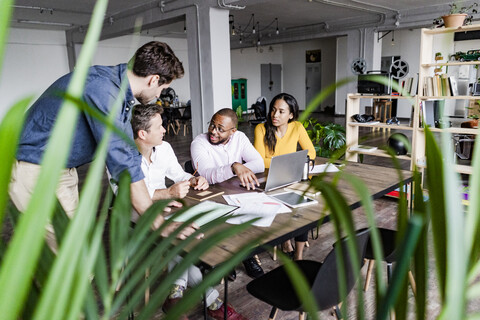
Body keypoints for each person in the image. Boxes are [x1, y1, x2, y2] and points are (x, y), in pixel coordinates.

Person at [9, 41, 198, 244]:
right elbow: (124, 166)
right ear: (153, 80)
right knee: (69, 255)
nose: (159, 95)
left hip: (62, 168)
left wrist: (153, 203)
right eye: (162, 88)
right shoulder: (103, 90)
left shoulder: (116, 90)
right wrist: (161, 224)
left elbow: (130, 156)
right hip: (36, 169)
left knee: (72, 246)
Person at [131, 103, 246, 320]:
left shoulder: (163, 148)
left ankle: (176, 293)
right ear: (143, 133)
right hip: (136, 213)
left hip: (167, 207)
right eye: (160, 126)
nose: (165, 130)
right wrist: (167, 193)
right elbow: (126, 195)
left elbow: (177, 173)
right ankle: (213, 301)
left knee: (189, 230)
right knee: (180, 234)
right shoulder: (120, 155)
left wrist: (192, 179)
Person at [190, 108, 266, 278]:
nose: (213, 131)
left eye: (220, 129)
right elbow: (207, 175)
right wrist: (235, 166)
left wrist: (239, 169)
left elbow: (259, 164)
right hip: (210, 195)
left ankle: (247, 255)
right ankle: (225, 260)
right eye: (212, 125)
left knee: (252, 212)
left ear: (233, 131)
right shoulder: (199, 143)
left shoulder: (239, 138)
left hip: (236, 192)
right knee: (225, 216)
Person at [253, 93, 316, 260]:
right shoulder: (261, 129)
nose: (275, 115)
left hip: (294, 178)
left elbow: (311, 152)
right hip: (270, 180)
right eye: (273, 110)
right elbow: (259, 161)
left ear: (291, 115)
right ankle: (285, 239)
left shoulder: (297, 127)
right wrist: (291, 162)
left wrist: (296, 162)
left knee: (303, 209)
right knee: (288, 205)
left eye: (281, 111)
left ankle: (299, 255)